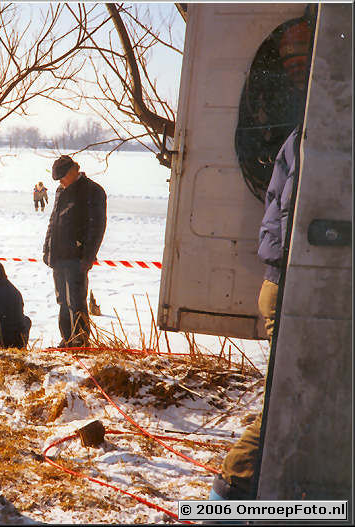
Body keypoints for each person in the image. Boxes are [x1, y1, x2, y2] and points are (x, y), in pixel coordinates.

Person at [210, 13, 314, 503]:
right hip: (293, 288)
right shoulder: (313, 144)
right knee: (289, 397)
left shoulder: (301, 141)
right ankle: (230, 492)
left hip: (284, 284)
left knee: (291, 394)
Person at [43, 155, 107, 348]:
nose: (61, 182)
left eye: (63, 177)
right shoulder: (61, 190)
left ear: (73, 171)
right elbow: (53, 222)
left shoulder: (92, 191)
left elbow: (97, 227)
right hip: (58, 256)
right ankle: (67, 339)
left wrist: (87, 256)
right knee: (62, 300)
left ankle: (80, 342)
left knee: (76, 302)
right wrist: (47, 248)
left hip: (77, 258)